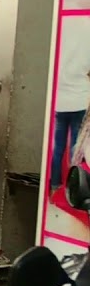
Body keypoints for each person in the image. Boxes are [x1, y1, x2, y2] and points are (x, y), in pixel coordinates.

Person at [53, 40, 90, 190]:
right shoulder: (84, 47)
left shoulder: (61, 48)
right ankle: (72, 187)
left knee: (58, 148)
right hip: (79, 102)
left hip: (60, 103)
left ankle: (55, 184)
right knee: (76, 148)